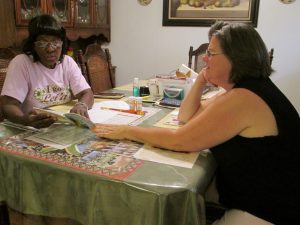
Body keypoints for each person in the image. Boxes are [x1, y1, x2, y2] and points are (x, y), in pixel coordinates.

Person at [91, 21, 300, 225]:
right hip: (261, 198)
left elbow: (180, 141)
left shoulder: (243, 98)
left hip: (270, 211)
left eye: (210, 53)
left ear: (235, 58)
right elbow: (187, 116)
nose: (203, 58)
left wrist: (127, 131)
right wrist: (201, 79)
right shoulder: (245, 89)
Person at [0, 14, 94, 128]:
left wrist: (82, 105)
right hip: (33, 129)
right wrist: (24, 120)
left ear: (62, 42)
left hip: (61, 127)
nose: (50, 49)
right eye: (42, 43)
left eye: (55, 42)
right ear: (33, 45)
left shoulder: (67, 62)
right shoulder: (21, 63)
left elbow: (87, 93)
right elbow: (8, 105)